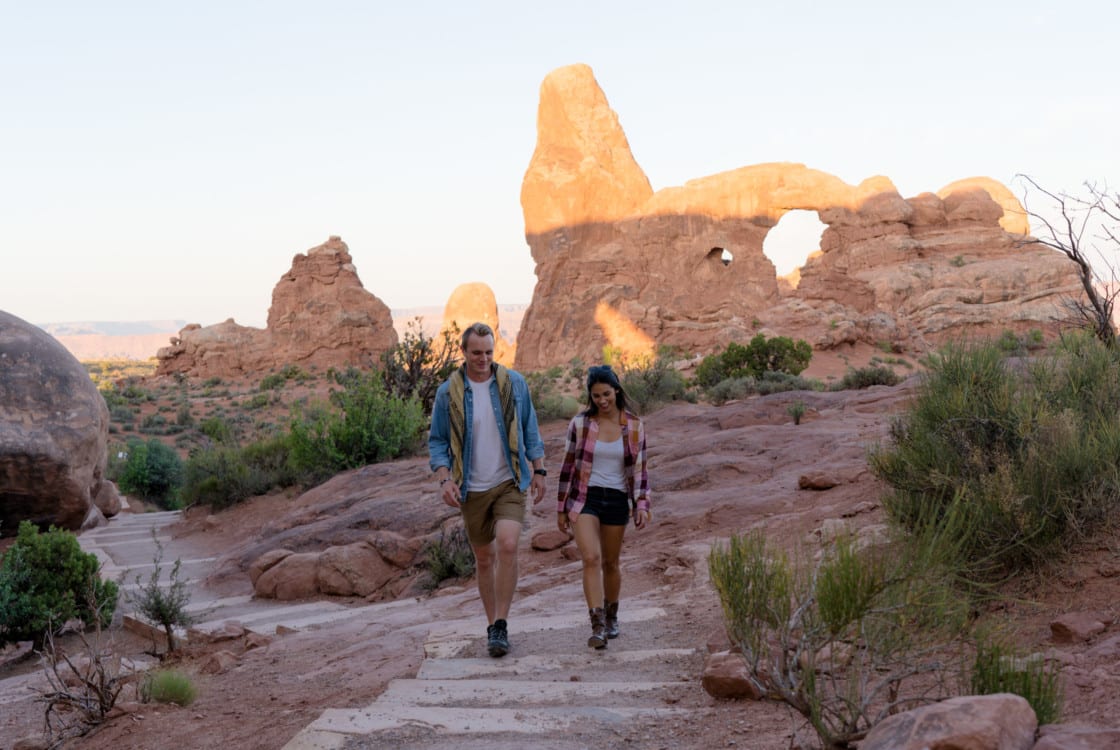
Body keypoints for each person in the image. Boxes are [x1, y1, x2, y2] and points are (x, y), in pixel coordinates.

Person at [429, 321, 547, 658]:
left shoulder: (514, 384)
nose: (483, 359)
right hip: (472, 487)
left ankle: (500, 625)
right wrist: (444, 478)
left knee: (508, 545)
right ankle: (490, 623)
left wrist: (539, 470)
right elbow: (437, 441)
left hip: (508, 480)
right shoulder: (447, 393)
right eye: (476, 353)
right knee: (484, 558)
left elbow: (530, 429)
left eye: (489, 352)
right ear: (464, 353)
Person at [556, 364, 651, 649]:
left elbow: (641, 470)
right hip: (586, 497)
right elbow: (568, 466)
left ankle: (611, 617)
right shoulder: (581, 424)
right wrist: (561, 507)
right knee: (591, 558)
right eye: (596, 396)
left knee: (611, 562)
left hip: (618, 498)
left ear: (617, 391)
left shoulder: (634, 425)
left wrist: (642, 504)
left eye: (606, 394)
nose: (602, 401)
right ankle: (596, 625)